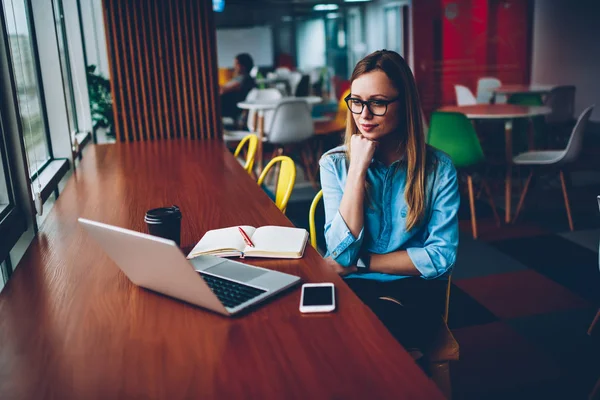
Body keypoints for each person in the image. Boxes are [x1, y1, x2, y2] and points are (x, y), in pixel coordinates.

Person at [319, 50, 459, 355]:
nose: (364, 115)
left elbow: (440, 257)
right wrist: (357, 170)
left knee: (368, 337)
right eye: (356, 102)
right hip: (350, 286)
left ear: (404, 104)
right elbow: (341, 252)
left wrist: (361, 264)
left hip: (413, 289)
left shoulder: (438, 168)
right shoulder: (334, 164)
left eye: (378, 103)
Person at [220, 53, 256, 120]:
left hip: (229, 106)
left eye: (236, 64)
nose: (234, 66)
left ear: (243, 66)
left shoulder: (244, 78)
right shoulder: (239, 77)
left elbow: (222, 90)